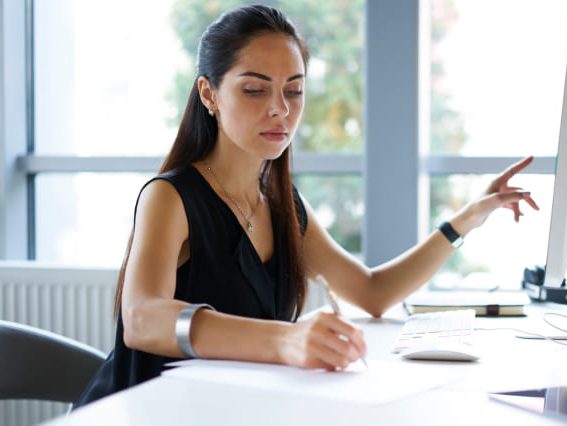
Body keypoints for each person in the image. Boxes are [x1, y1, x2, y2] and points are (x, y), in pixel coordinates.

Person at [75, 4, 538, 407]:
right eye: (255, 90)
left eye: (294, 90)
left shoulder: (281, 205)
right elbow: (141, 320)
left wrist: (467, 220)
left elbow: (372, 292)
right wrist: (287, 340)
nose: (280, 109)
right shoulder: (170, 196)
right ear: (208, 93)